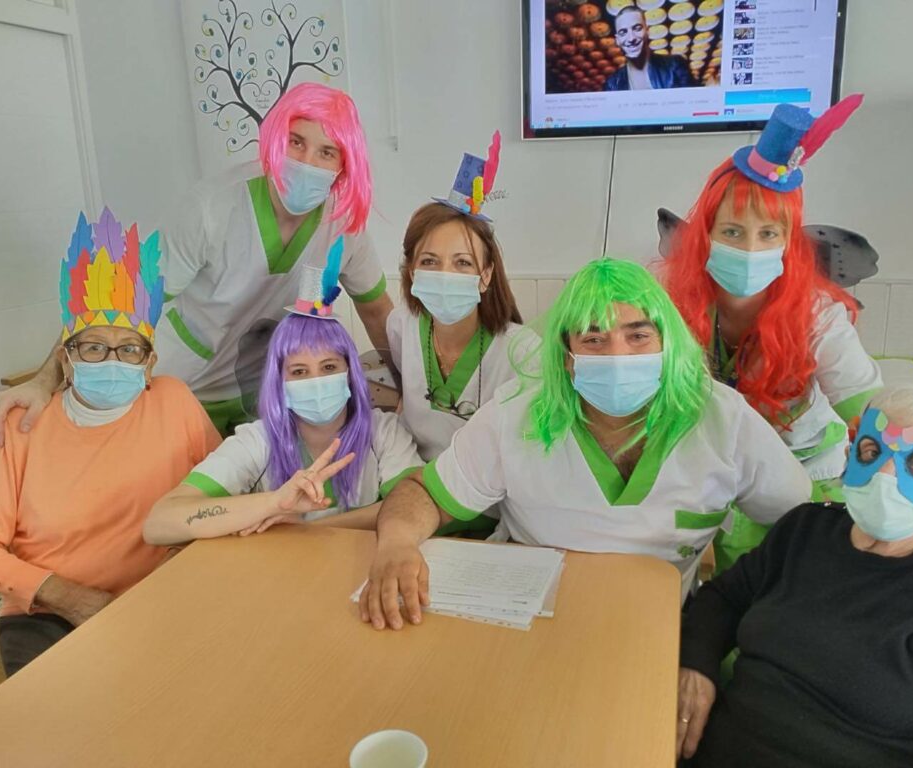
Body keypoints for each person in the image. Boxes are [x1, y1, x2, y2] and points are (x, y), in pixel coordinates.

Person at [359, 258, 812, 631]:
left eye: (638, 335)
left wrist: (716, 636)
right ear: (567, 357)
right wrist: (396, 543)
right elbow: (424, 493)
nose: (618, 355)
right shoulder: (516, 414)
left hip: (659, 631)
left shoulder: (723, 420)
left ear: (668, 343)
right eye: (594, 339)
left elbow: (800, 525)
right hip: (529, 620)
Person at [0, 82, 393, 442]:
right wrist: (43, 381)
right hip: (180, 385)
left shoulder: (344, 225)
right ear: (274, 140)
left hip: (262, 395)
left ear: (345, 165)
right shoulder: (211, 207)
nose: (306, 162)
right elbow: (117, 303)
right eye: (295, 142)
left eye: (326, 152)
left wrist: (407, 388)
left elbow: (376, 310)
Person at [677, 387, 913, 767]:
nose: (884, 475)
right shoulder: (806, 530)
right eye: (872, 451)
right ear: (850, 454)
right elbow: (724, 598)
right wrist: (697, 665)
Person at [0, 210, 220, 676]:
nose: (112, 359)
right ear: (66, 360)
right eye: (93, 347)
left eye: (128, 348)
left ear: (149, 363)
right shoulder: (23, 424)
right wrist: (66, 596)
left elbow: (219, 491)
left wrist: (183, 557)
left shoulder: (175, 402)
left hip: (164, 593)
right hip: (46, 613)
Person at [661, 97, 881, 568]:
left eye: (768, 234)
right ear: (705, 234)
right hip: (714, 478)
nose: (749, 248)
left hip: (807, 481)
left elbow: (872, 411)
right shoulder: (667, 304)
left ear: (788, 240)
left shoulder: (817, 315)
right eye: (732, 232)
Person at [145, 266, 423, 545]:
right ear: (279, 381)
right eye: (299, 371)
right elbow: (160, 524)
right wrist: (274, 503)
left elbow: (416, 506)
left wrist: (312, 528)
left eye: (329, 367)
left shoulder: (384, 432)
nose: (316, 381)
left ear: (350, 372)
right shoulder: (257, 441)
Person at [387, 133, 530, 462]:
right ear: (411, 272)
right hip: (413, 478)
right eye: (429, 262)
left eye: (462, 262)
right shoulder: (401, 327)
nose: (445, 275)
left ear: (486, 275)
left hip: (487, 489)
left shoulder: (523, 353)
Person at [605, 7, 694, 91]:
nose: (631, 38)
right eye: (623, 32)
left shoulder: (675, 65)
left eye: (637, 29)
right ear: (617, 40)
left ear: (647, 31)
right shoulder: (612, 83)